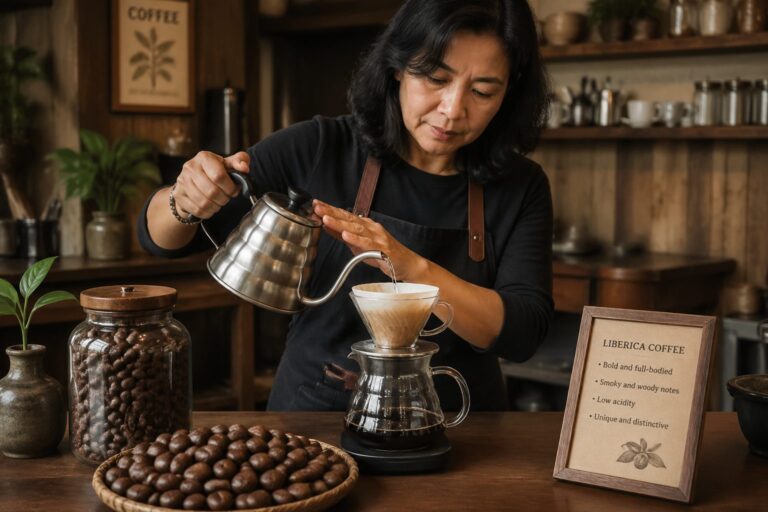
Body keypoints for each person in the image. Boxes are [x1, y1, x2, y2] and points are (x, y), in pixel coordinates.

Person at [139, 0, 553, 412]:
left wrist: (408, 265)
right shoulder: (320, 147)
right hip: (314, 420)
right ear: (398, 68)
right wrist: (183, 198)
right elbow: (161, 240)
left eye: (482, 91)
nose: (453, 109)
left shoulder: (520, 186)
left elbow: (522, 332)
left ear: (509, 93)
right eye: (434, 78)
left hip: (461, 427)